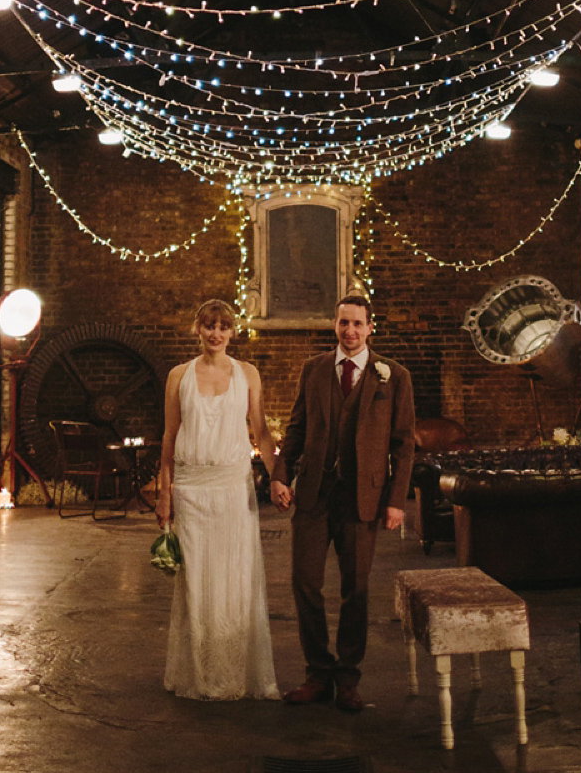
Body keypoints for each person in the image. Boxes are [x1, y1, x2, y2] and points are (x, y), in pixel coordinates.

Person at [270, 293, 415, 712]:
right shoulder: (314, 370)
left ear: (371, 327)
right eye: (343, 323)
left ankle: (348, 679)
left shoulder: (394, 376)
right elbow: (295, 429)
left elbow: (404, 445)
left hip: (363, 498)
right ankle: (318, 673)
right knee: (305, 582)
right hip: (314, 494)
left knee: (357, 588)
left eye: (357, 324)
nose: (350, 331)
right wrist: (280, 475)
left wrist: (396, 501)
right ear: (334, 326)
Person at [156, 298, 279, 701]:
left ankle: (232, 672)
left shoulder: (248, 374)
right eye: (208, 325)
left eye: (223, 326)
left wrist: (277, 476)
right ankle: (201, 673)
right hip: (191, 490)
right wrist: (164, 492)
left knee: (235, 580)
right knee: (197, 584)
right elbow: (170, 437)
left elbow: (261, 431)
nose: (215, 333)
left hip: (232, 488)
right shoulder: (179, 375)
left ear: (232, 331)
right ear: (197, 329)